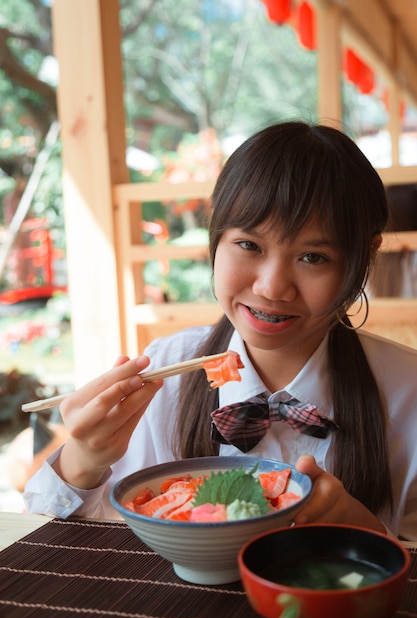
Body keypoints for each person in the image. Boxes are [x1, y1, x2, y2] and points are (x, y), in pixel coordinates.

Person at [24, 121, 417, 540]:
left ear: (363, 257)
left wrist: (367, 532)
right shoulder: (167, 375)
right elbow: (62, 540)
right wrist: (84, 458)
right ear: (216, 234)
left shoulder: (406, 390)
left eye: (313, 257)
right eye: (249, 245)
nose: (271, 287)